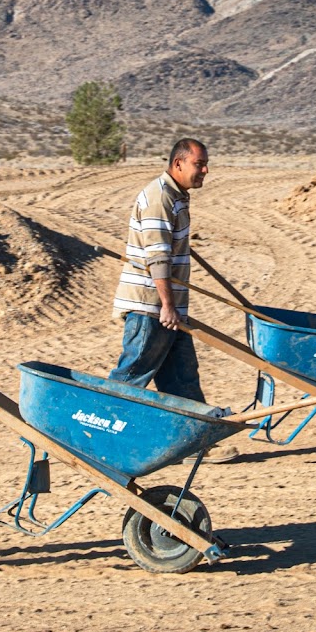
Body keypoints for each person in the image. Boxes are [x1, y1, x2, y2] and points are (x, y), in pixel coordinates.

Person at [109, 138, 239, 464]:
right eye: (200, 164)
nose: (206, 170)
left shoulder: (176, 196)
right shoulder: (158, 198)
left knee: (182, 376)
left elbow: (168, 246)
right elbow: (157, 258)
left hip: (170, 308)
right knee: (133, 375)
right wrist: (167, 305)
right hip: (150, 306)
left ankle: (197, 443)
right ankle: (100, 431)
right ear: (178, 164)